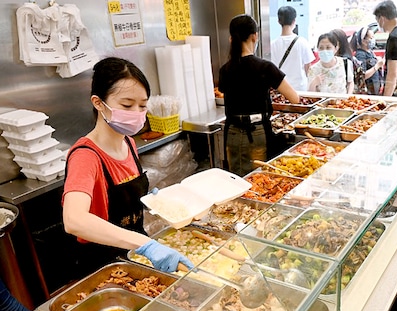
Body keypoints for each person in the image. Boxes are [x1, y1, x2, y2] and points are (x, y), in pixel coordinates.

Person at [62, 57, 194, 280]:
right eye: (126, 105)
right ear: (98, 102)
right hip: (103, 267)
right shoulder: (85, 156)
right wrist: (146, 244)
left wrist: (162, 204)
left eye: (142, 106)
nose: (136, 113)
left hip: (135, 257)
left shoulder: (128, 143)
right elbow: (74, 220)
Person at [218, 14, 299, 176]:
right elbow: (294, 98)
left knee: (235, 179)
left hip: (232, 132)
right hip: (256, 133)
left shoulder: (225, 69)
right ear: (255, 36)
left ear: (231, 39)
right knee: (258, 178)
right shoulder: (265, 67)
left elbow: (227, 92)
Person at [270, 6, 315, 92]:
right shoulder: (302, 42)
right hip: (300, 89)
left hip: (281, 89)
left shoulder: (272, 45)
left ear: (279, 21)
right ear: (294, 21)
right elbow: (308, 69)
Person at [351, 25, 385, 95]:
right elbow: (362, 75)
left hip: (375, 89)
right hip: (368, 92)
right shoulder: (360, 54)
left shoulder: (370, 52)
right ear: (363, 41)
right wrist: (377, 66)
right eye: (371, 38)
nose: (373, 40)